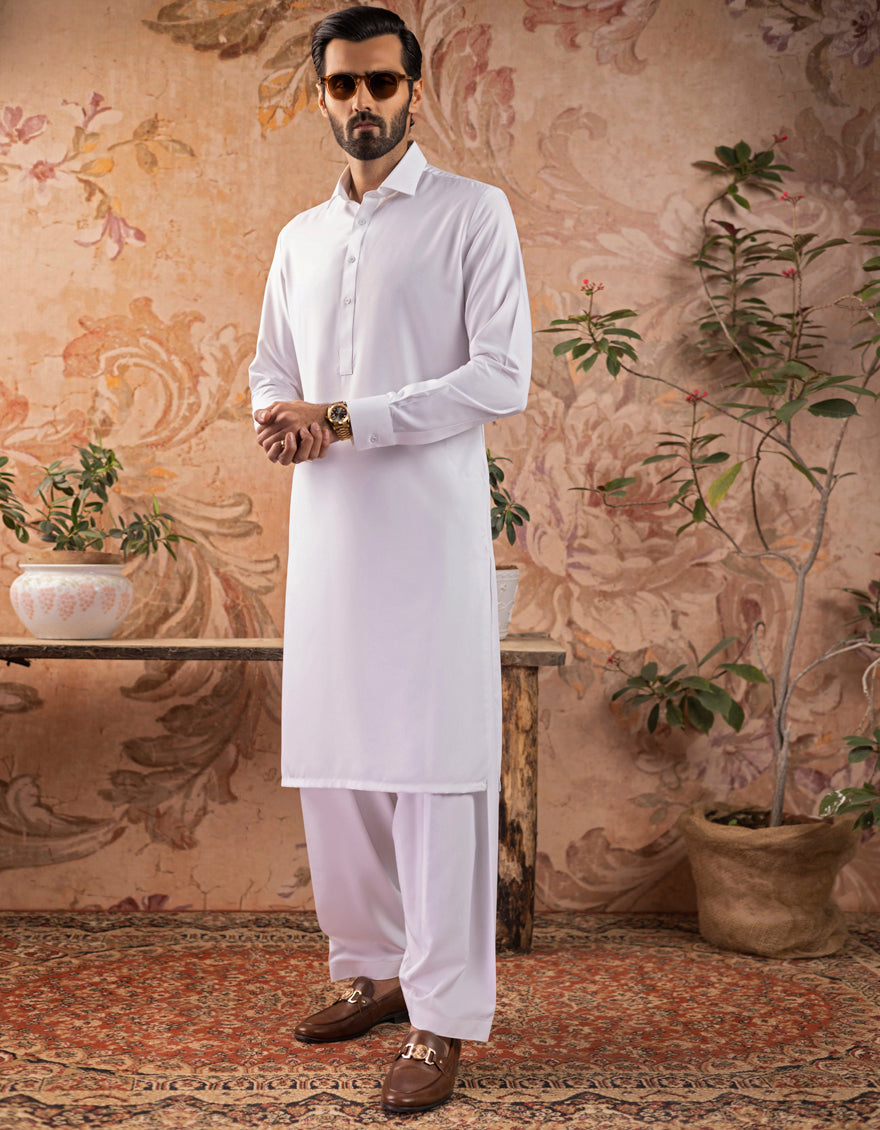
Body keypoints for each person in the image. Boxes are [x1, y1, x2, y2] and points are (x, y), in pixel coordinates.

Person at [248, 4, 531, 1115]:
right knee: (337, 761)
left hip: (427, 534)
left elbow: (499, 375)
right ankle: (367, 971)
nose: (360, 102)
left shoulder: (472, 214)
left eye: (380, 82)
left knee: (436, 768)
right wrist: (280, 417)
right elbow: (271, 365)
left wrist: (344, 417)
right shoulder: (300, 238)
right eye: (341, 85)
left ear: (415, 89)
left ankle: (443, 1017)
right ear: (320, 96)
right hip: (329, 532)